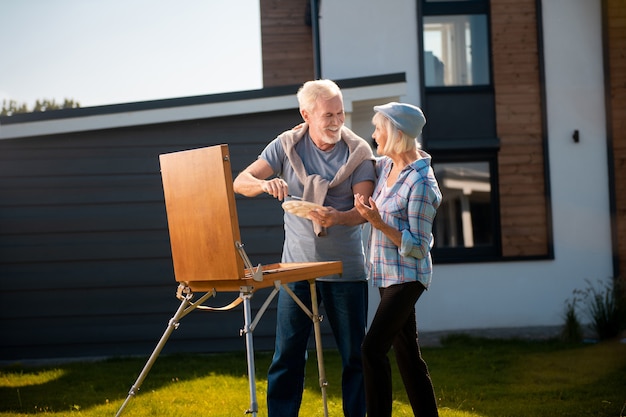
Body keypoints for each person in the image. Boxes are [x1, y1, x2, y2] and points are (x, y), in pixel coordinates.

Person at [233, 79, 375, 417]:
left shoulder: (358, 153)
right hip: (296, 269)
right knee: (287, 354)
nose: (337, 121)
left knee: (355, 355)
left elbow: (364, 211)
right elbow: (241, 181)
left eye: (340, 113)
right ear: (306, 115)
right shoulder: (286, 146)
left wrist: (337, 217)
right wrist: (265, 183)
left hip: (345, 270)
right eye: (328, 115)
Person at [354, 102, 442, 417]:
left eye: (378, 128)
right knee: (407, 354)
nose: (374, 134)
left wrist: (379, 224)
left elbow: (419, 246)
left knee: (372, 349)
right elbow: (357, 155)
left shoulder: (422, 184)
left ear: (394, 133)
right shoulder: (385, 167)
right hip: (386, 274)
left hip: (407, 277)